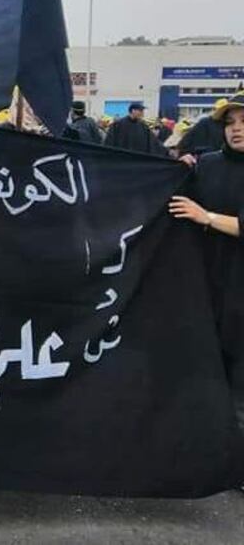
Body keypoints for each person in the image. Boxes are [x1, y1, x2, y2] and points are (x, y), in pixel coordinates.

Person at [168, 92, 244, 484]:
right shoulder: (209, 165)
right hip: (208, 289)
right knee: (205, 377)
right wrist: (175, 169)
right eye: (230, 123)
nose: (236, 129)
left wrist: (207, 217)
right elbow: (179, 202)